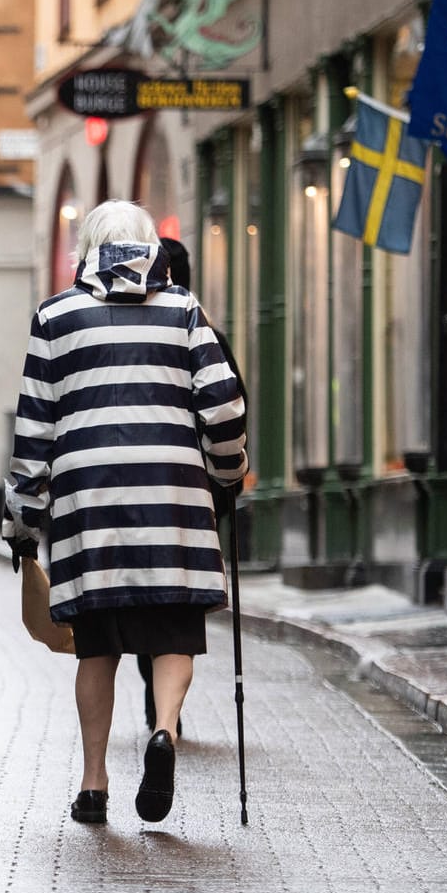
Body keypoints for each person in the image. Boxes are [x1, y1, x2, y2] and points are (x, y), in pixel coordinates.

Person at [4, 201, 248, 827]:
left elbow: (34, 427)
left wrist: (22, 519)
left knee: (97, 646)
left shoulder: (55, 317)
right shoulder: (184, 311)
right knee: (172, 633)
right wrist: (226, 473)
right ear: (150, 248)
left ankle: (93, 784)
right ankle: (163, 731)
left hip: (89, 507)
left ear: (88, 248)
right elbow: (223, 408)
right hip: (173, 499)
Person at [132, 237, 247, 734]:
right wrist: (230, 479)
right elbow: (232, 410)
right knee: (176, 602)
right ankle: (166, 719)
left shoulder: (138, 333)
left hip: (136, 489)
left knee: (138, 595)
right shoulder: (207, 335)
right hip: (196, 491)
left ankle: (150, 697)